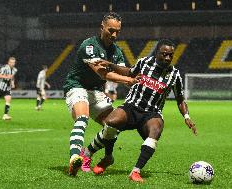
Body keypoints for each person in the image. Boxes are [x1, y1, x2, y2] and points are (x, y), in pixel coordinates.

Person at [82, 39, 198, 182]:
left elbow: (180, 99)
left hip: (152, 113)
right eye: (164, 54)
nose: (167, 58)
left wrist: (186, 116)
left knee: (156, 130)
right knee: (111, 122)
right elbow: (129, 72)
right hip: (131, 107)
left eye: (170, 55)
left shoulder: (175, 75)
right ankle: (100, 156)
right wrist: (111, 65)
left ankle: (135, 172)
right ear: (157, 53)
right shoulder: (144, 62)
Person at [63, 12, 139, 176]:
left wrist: (137, 76)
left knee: (113, 125)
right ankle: (74, 157)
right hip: (77, 86)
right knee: (82, 118)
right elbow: (103, 74)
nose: (114, 35)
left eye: (118, 31)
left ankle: (92, 154)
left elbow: (123, 71)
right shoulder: (89, 46)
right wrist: (128, 80)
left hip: (96, 91)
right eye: (111, 30)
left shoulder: (117, 51)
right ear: (102, 27)